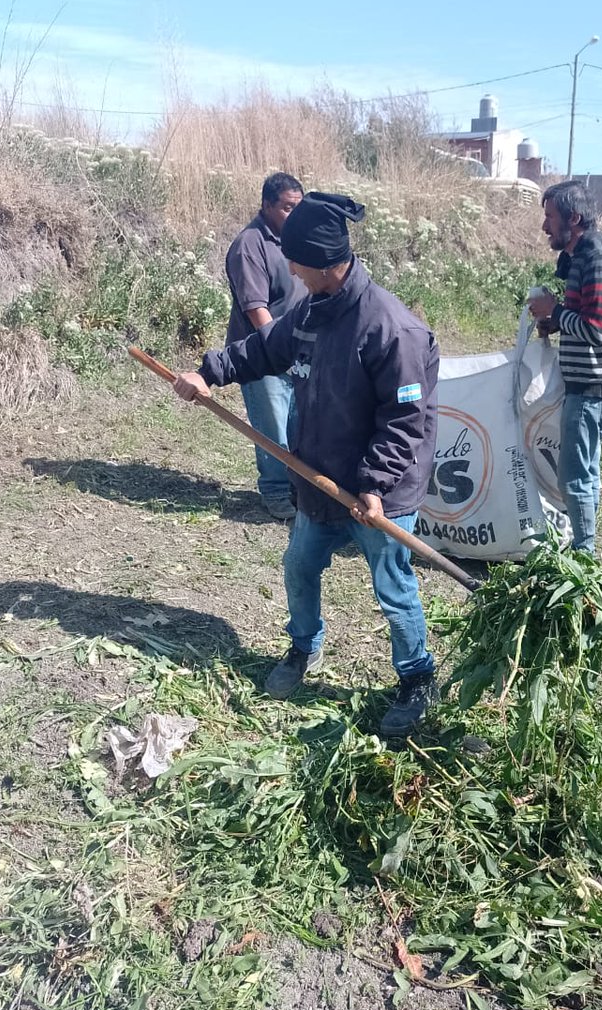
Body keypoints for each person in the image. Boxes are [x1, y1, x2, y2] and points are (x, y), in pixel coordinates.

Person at [173, 192, 439, 737]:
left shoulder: (393, 329)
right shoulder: (313, 310)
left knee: (393, 586)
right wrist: (210, 373)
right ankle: (303, 647)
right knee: (299, 567)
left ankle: (417, 679)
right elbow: (263, 348)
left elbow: (406, 421)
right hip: (319, 479)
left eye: (296, 261)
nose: (289, 268)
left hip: (378, 492)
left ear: (322, 262)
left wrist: (373, 485)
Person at [527, 180, 602, 553]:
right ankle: (585, 546)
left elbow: (597, 329)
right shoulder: (579, 257)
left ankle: (584, 556)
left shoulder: (597, 259)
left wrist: (555, 312)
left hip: (591, 389)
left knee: (573, 477)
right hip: (590, 385)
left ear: (575, 217)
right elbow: (584, 317)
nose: (544, 227)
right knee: (586, 471)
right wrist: (555, 321)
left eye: (550, 217)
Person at [224, 172, 305, 519]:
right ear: (266, 205)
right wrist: (277, 349)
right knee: (272, 426)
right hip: (263, 354)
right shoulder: (250, 245)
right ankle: (275, 492)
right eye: (287, 208)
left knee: (300, 424)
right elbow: (256, 308)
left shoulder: (294, 242)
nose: (294, 215)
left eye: (298, 208)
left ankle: (300, 490)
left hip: (298, 350)